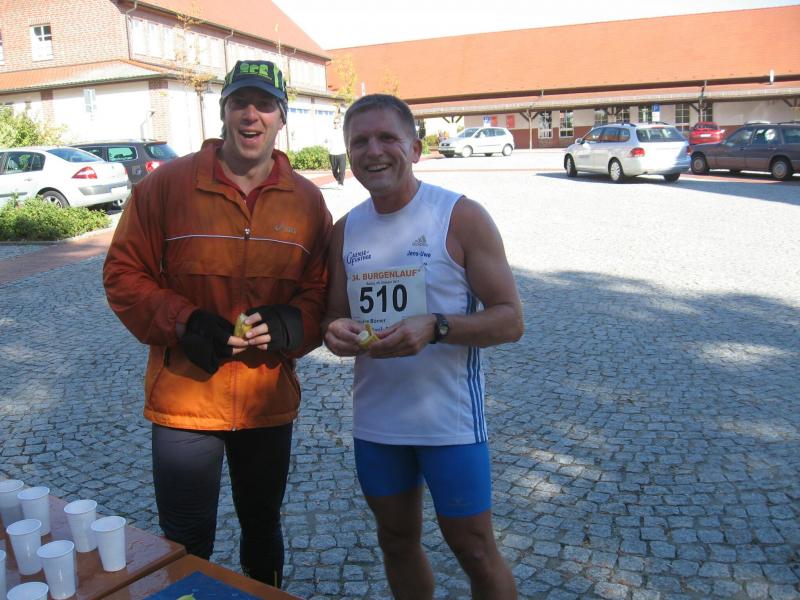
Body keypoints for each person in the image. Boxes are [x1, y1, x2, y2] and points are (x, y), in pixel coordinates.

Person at [103, 60, 332, 589]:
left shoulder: (306, 201)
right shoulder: (168, 187)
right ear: (223, 111)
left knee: (262, 526)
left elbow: (322, 291)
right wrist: (186, 321)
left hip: (266, 399)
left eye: (265, 104)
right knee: (185, 541)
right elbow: (122, 273)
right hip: (185, 401)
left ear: (282, 117)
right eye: (239, 103)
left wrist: (290, 324)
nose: (251, 115)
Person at [322, 94, 523, 599]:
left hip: (449, 422)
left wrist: (436, 327)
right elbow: (333, 316)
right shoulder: (345, 230)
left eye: (387, 138)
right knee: (395, 541)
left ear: (414, 147)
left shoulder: (460, 217)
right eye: (359, 142)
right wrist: (335, 332)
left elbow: (510, 320)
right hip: (377, 423)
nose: (373, 151)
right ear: (348, 154)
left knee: (474, 550)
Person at [325, 117, 347, 187]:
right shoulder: (330, 131)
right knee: (334, 171)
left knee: (342, 170)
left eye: (337, 123)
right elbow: (326, 140)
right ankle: (338, 179)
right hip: (332, 153)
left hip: (342, 153)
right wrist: (326, 143)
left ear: (340, 123)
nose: (336, 124)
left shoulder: (343, 131)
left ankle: (341, 183)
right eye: (335, 122)